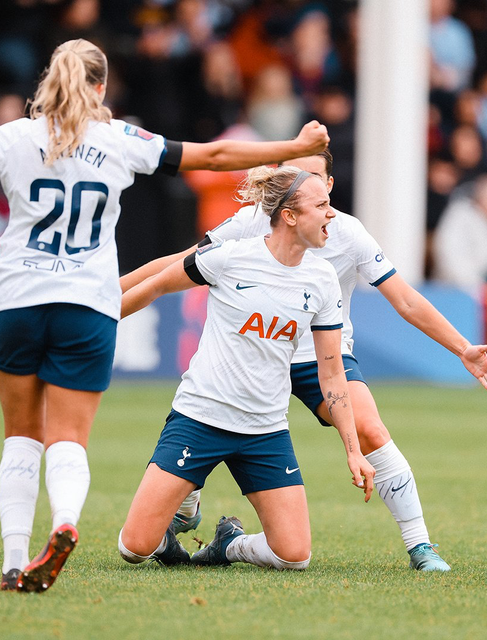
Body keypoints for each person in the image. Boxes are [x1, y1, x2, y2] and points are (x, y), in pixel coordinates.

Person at [0, 39, 330, 593]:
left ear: (50, 80)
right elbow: (210, 156)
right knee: (69, 439)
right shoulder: (119, 140)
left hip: (19, 299)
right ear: (101, 87)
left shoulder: (13, 137)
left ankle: (13, 561)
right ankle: (66, 523)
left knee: (20, 438)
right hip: (86, 307)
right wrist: (293, 144)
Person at [120, 148, 487, 571]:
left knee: (367, 432)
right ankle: (185, 505)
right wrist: (100, 305)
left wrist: (462, 348)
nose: (327, 210)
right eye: (307, 190)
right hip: (229, 382)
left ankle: (419, 546)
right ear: (286, 207)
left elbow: (397, 310)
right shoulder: (245, 232)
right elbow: (173, 269)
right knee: (139, 539)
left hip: (302, 371)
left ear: (329, 184)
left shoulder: (341, 244)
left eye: (321, 190)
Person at [117, 165, 374, 572]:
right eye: (322, 205)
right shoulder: (229, 257)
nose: (332, 214)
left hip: (265, 431)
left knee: (295, 557)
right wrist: (97, 321)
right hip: (200, 418)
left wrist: (353, 451)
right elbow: (156, 285)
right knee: (134, 548)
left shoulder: (323, 279)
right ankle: (177, 516)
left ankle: (229, 544)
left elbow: (332, 374)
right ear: (289, 216)